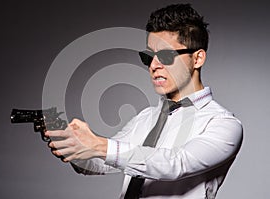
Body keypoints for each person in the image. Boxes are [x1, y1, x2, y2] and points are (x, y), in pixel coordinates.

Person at [45, 3, 243, 199]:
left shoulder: (223, 125)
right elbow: (102, 163)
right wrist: (72, 148)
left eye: (166, 55)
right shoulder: (145, 118)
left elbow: (176, 164)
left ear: (198, 58)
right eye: (149, 57)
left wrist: (98, 144)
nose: (154, 66)